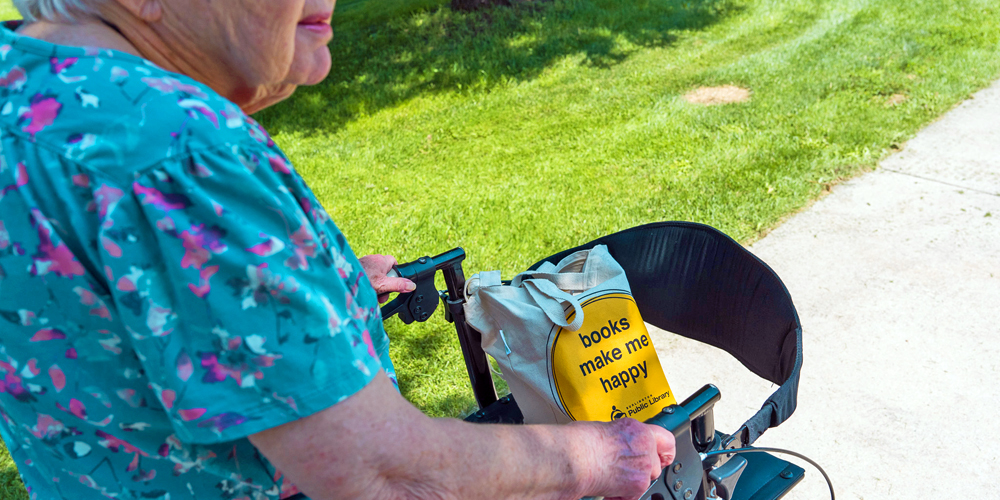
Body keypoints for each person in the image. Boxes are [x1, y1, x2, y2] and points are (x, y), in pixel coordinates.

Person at [0, 0, 676, 499]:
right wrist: (598, 458)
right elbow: (383, 474)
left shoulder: (23, 90)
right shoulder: (171, 147)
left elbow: (90, 310)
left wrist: (324, 285)